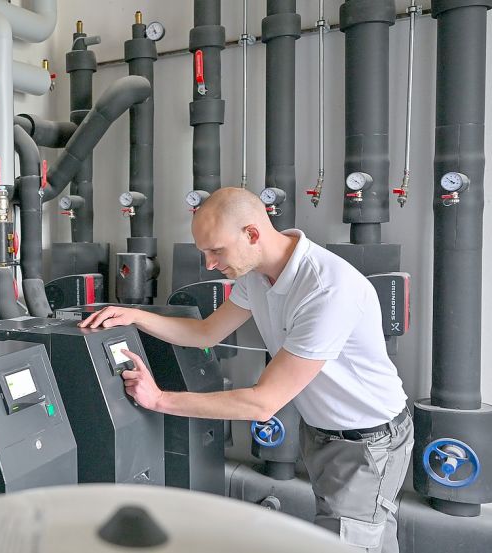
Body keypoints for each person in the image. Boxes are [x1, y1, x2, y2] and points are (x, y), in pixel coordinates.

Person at [79, 187, 411, 553]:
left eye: (216, 251)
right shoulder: (256, 276)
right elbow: (206, 332)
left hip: (367, 443)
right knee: (371, 536)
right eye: (203, 252)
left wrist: (158, 400)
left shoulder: (326, 289)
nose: (208, 264)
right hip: (323, 433)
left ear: (252, 234)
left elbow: (261, 404)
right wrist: (136, 316)